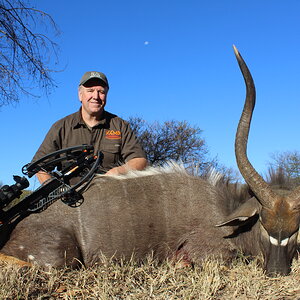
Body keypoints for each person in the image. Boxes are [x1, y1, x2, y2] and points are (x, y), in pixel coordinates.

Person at [32, 71, 148, 184]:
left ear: (106, 95)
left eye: (101, 91)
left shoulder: (120, 126)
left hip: (111, 196)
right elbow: (39, 167)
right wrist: (57, 192)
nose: (95, 96)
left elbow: (139, 160)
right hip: (71, 200)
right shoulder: (61, 127)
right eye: (90, 91)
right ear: (80, 94)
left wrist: (117, 172)